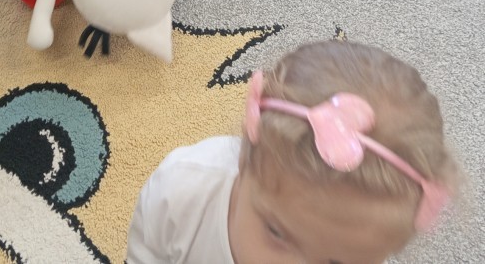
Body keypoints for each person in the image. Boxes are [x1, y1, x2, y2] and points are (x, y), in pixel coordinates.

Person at [127, 40, 457, 264]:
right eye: (276, 233)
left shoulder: (359, 233)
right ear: (244, 160)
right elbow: (147, 248)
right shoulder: (181, 191)